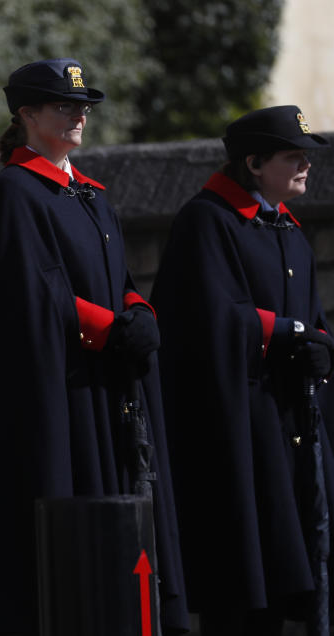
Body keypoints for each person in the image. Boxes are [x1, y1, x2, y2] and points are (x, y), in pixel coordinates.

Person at [0, 58, 188, 634]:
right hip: (64, 390)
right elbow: (36, 294)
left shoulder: (91, 195)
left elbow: (120, 282)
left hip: (108, 386)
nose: (80, 115)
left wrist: (141, 314)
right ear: (27, 115)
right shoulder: (15, 191)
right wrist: (111, 329)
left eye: (82, 106)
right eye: (65, 106)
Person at [151, 105, 334, 635]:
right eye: (292, 156)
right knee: (242, 589)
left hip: (287, 427)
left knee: (285, 576)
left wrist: (318, 342)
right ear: (254, 163)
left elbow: (312, 319)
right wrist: (287, 333)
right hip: (238, 432)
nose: (305, 166)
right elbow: (206, 315)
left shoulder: (288, 229)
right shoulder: (208, 219)